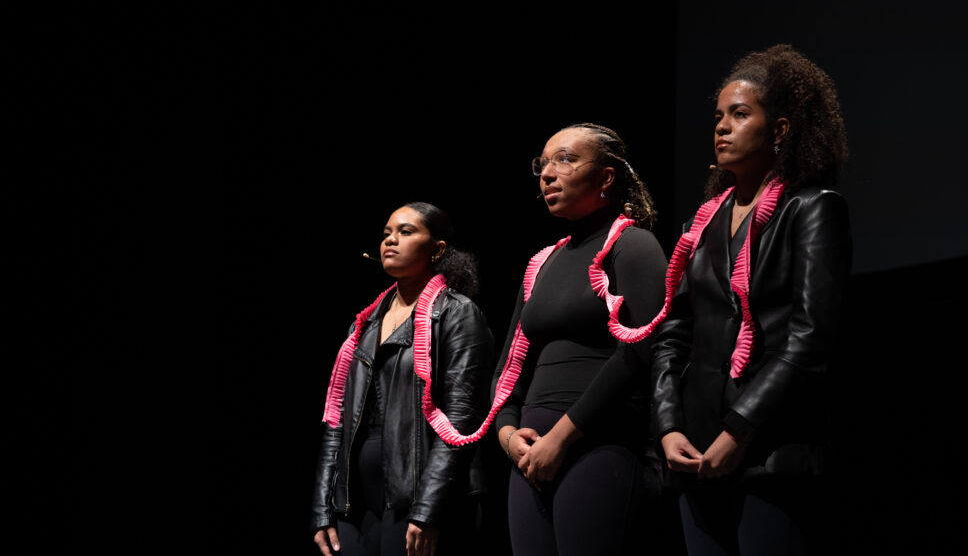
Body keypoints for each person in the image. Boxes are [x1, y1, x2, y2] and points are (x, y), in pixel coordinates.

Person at [651, 44, 851, 555]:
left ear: (781, 130)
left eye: (740, 115)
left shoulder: (813, 208)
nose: (721, 127)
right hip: (695, 451)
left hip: (770, 449)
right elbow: (675, 334)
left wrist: (739, 431)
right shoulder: (703, 222)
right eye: (718, 116)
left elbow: (810, 339)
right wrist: (669, 425)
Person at [492, 123, 669, 556]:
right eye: (543, 163)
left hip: (599, 443)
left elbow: (642, 349)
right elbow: (509, 368)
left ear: (606, 177)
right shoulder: (542, 264)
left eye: (565, 159)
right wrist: (509, 435)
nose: (548, 173)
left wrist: (561, 438)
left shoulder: (635, 246)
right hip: (529, 452)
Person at [310, 202, 494, 556]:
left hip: (417, 497)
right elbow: (337, 422)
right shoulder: (365, 324)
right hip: (358, 502)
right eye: (386, 234)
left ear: (437, 249)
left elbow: (460, 418)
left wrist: (428, 510)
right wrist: (323, 509)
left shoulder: (456, 314)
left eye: (406, 232)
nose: (390, 241)